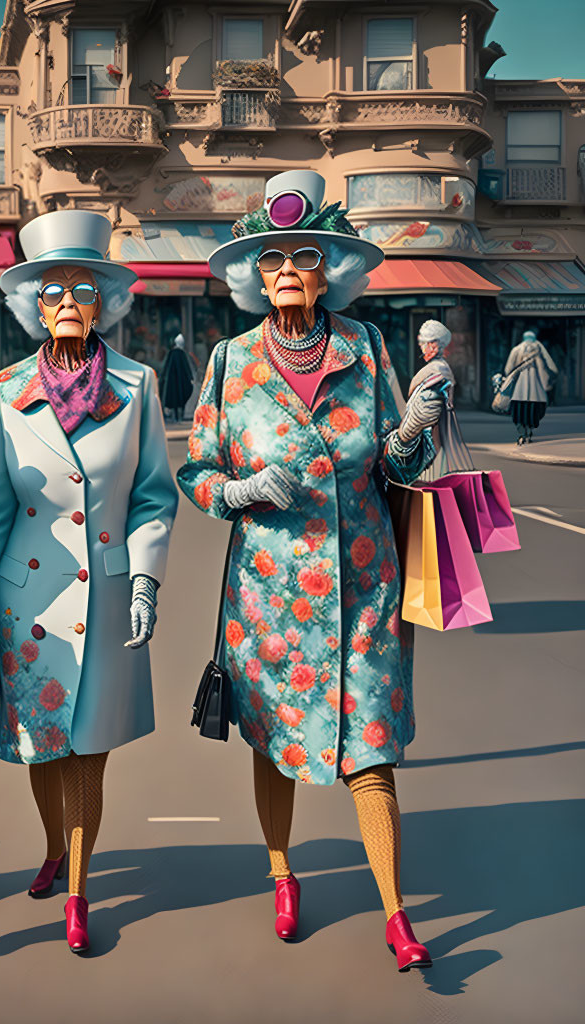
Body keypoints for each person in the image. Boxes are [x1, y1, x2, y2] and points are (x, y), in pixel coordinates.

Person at [178, 170, 446, 972]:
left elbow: (398, 466)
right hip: (267, 598)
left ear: (330, 266)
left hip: (365, 590)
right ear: (253, 278)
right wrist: (239, 488)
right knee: (276, 746)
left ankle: (397, 915)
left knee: (373, 752)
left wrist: (413, 427)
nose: (286, 270)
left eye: (301, 255)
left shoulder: (365, 348)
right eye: (270, 260)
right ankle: (282, 870)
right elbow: (195, 473)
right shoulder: (229, 361)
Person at [0, 210, 178, 955]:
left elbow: (152, 493)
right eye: (53, 292)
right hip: (28, 604)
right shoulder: (8, 388)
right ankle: (53, 844)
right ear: (33, 307)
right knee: (40, 744)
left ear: (104, 300)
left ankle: (79, 887)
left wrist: (146, 581)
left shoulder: (137, 384)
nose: (69, 303)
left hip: (108, 595)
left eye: (83, 288)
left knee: (88, 749)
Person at [409, 319, 457, 480]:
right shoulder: (443, 368)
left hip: (427, 427)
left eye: (423, 344)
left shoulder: (432, 370)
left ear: (433, 345)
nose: (421, 348)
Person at [504, 329, 558, 445]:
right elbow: (550, 366)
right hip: (536, 391)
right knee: (534, 412)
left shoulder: (517, 350)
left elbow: (508, 368)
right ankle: (528, 433)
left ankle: (522, 434)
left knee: (518, 412)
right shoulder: (539, 350)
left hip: (519, 391)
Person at [159, 332, 195, 421]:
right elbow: (186, 367)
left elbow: (166, 367)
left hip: (172, 381)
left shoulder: (172, 354)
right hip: (180, 381)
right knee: (180, 397)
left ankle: (176, 416)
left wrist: (163, 376)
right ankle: (179, 416)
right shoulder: (181, 354)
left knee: (175, 397)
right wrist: (190, 377)